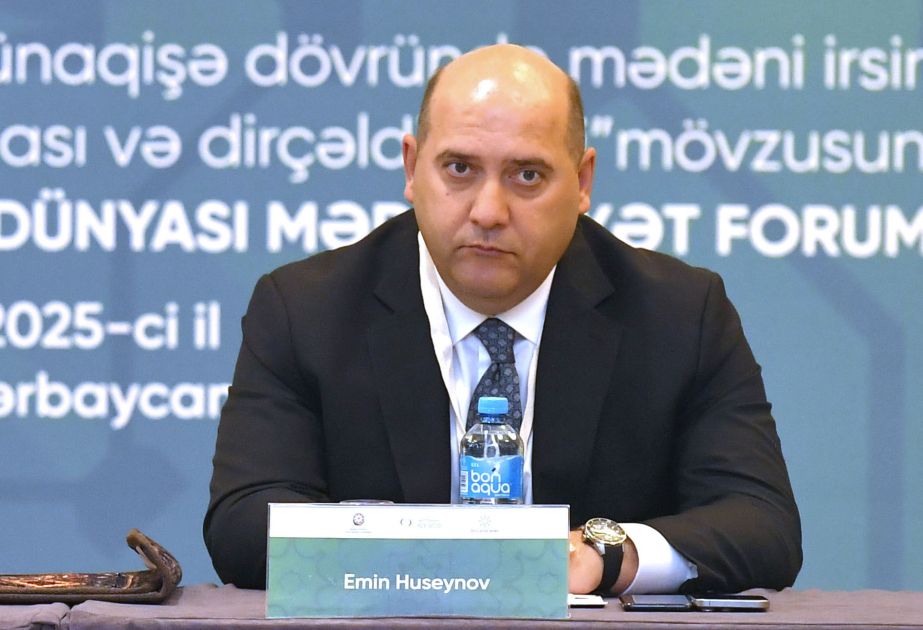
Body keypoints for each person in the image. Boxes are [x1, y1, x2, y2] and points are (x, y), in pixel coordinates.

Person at [205, 44, 801, 594]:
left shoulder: (680, 315)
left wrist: (603, 556)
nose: (489, 211)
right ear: (412, 169)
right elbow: (243, 522)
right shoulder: (305, 310)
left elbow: (762, 524)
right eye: (459, 169)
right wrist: (431, 559)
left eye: (527, 176)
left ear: (582, 182)